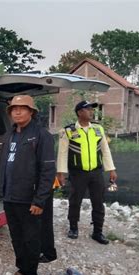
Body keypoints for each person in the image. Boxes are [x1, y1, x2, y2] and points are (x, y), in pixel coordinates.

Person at [0, 95, 56, 275]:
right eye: (13, 109)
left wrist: (40, 200)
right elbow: (3, 165)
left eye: (22, 108)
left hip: (29, 198)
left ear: (31, 112)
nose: (17, 112)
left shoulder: (42, 136)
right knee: (16, 236)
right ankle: (22, 268)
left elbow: (47, 171)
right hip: (10, 196)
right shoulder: (9, 135)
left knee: (31, 237)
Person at [56, 100, 117, 244]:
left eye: (92, 109)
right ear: (79, 113)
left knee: (98, 202)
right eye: (88, 109)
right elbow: (62, 153)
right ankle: (73, 228)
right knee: (75, 201)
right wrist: (61, 173)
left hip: (96, 173)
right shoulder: (69, 131)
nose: (92, 111)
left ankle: (98, 232)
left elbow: (105, 150)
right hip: (78, 173)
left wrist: (111, 169)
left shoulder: (98, 129)